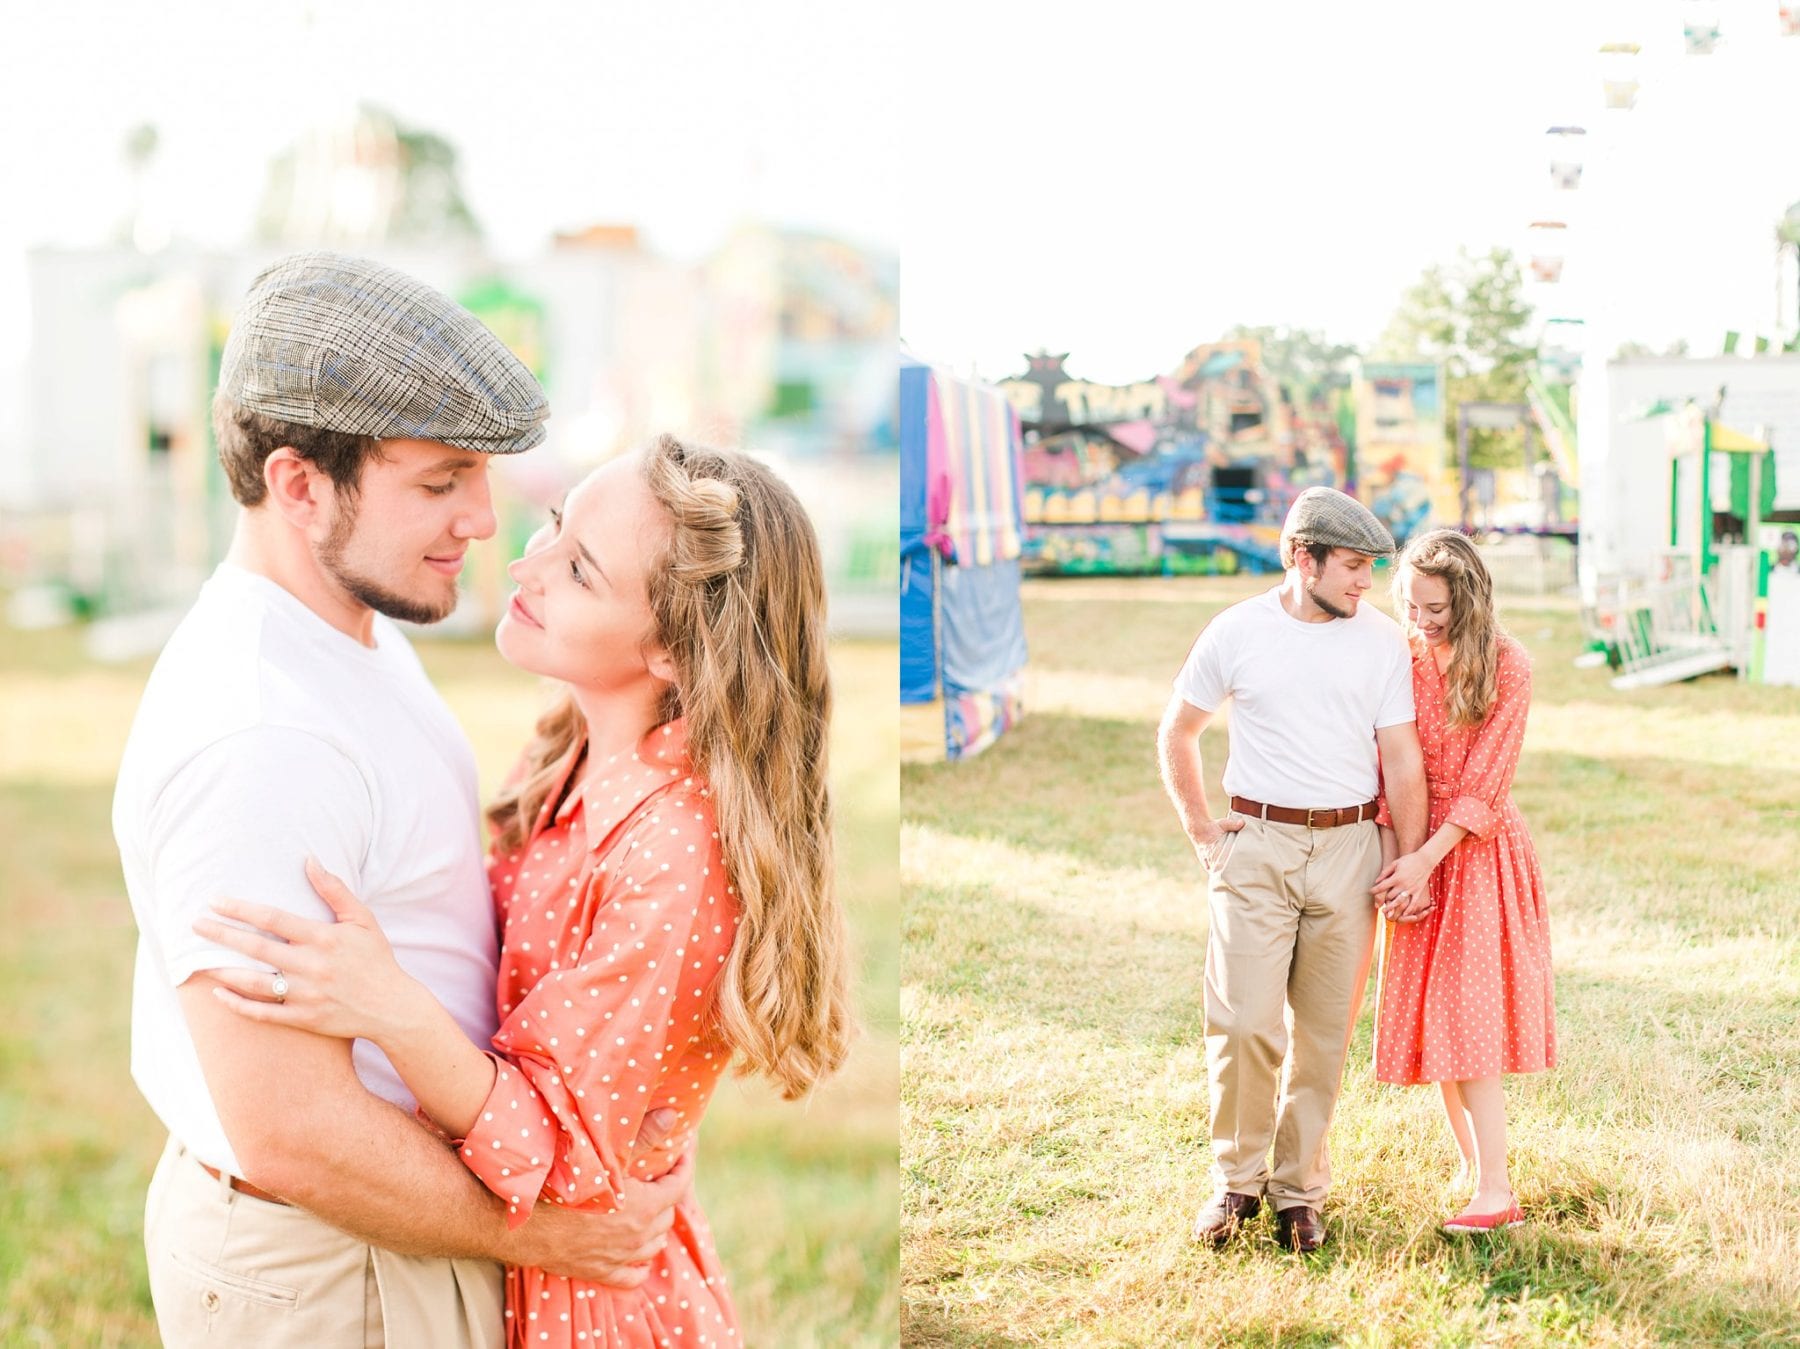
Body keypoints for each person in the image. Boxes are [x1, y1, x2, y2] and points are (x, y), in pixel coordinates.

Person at [114, 253, 686, 1348]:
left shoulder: (347, 627)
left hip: (388, 1241)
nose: (482, 518)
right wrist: (549, 1234)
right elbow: (291, 1130)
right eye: (436, 482)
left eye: (480, 474)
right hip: (344, 1264)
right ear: (298, 483)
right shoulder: (264, 733)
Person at [194, 433, 856, 1346]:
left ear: (671, 650)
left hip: (593, 1301)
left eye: (579, 569)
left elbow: (562, 1149)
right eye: (554, 524)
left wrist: (391, 1005)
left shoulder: (673, 849)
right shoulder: (573, 750)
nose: (524, 561)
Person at [1157, 486, 1429, 1253]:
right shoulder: (1237, 630)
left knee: (1323, 1037)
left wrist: (1408, 858)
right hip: (1256, 845)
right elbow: (1178, 731)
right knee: (1243, 1023)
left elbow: (1402, 756)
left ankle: (1298, 1191)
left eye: (1371, 567)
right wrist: (1204, 830)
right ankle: (1236, 1182)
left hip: (1349, 851)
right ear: (1301, 558)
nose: (1364, 583)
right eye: (1350, 566)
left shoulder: (1379, 640)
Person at [1369, 528, 1556, 1233]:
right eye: (1411, 605)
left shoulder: (1510, 664)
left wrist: (1428, 859)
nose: (1420, 621)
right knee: (1436, 1021)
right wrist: (1401, 862)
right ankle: (1477, 1168)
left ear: (1470, 599)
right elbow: (1388, 760)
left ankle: (1498, 1188)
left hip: (1474, 853)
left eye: (1436, 608)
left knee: (1469, 1019)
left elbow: (1486, 786)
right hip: (1413, 840)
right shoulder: (1402, 655)